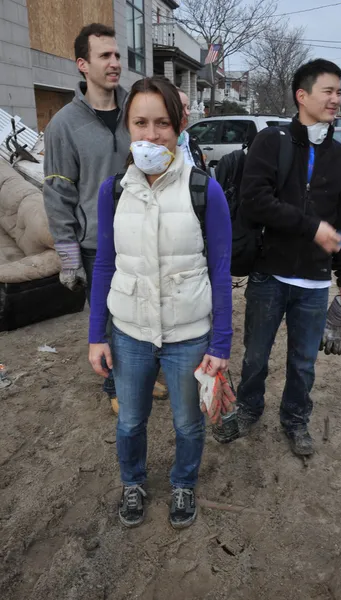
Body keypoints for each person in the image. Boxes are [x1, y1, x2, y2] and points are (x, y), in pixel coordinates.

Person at [88, 77, 233, 528]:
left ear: (180, 125)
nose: (151, 136)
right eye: (141, 123)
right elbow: (105, 266)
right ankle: (133, 482)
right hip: (130, 333)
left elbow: (221, 273)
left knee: (188, 425)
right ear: (127, 127)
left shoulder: (203, 191)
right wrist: (97, 336)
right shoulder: (113, 192)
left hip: (189, 336)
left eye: (163, 124)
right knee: (130, 421)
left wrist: (221, 345)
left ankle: (183, 484)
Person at [236, 59, 341, 456]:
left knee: (304, 364)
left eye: (339, 92)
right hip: (269, 274)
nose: (336, 99)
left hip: (314, 282)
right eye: (329, 91)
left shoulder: (340, 157)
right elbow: (254, 201)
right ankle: (248, 408)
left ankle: (295, 419)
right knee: (255, 357)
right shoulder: (271, 142)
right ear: (301, 95)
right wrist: (311, 227)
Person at [43, 23, 167, 411]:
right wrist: (67, 253)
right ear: (82, 64)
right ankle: (116, 388)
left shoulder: (137, 110)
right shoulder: (65, 124)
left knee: (148, 312)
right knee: (112, 323)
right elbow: (58, 192)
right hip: (98, 245)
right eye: (105, 56)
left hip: (147, 234)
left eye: (117, 55)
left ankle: (143, 380)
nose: (115, 63)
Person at [177, 89, 206, 170]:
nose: (188, 112)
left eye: (188, 107)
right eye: (181, 107)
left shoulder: (191, 143)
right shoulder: (158, 146)